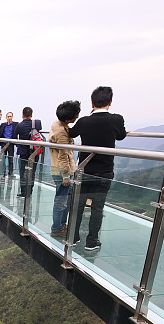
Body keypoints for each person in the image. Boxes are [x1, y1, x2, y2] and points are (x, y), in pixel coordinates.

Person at [69, 86, 128, 251]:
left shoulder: (84, 121)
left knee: (78, 206)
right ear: (110, 102)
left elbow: (72, 133)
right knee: (97, 208)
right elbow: (121, 136)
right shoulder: (116, 119)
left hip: (84, 170)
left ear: (92, 103)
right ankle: (92, 241)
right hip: (104, 171)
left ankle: (73, 237)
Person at [48, 100, 81, 236]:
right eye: (75, 115)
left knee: (64, 200)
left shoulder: (57, 124)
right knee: (61, 201)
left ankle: (61, 225)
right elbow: (63, 155)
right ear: (68, 118)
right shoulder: (61, 131)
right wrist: (66, 175)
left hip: (60, 169)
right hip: (62, 171)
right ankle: (57, 228)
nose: (76, 117)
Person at [14, 107, 43, 197]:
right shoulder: (37, 123)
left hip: (23, 152)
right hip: (34, 152)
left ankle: (24, 192)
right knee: (32, 172)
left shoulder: (19, 125)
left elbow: (15, 136)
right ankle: (30, 191)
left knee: (23, 172)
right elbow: (39, 130)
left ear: (22, 115)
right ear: (31, 115)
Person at [0, 112, 16, 177]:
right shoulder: (3, 125)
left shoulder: (15, 124)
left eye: (10, 116)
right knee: (3, 159)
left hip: (11, 144)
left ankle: (10, 173)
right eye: (8, 116)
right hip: (4, 144)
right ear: (6, 118)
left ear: (12, 117)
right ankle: (3, 174)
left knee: (10, 159)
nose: (9, 118)